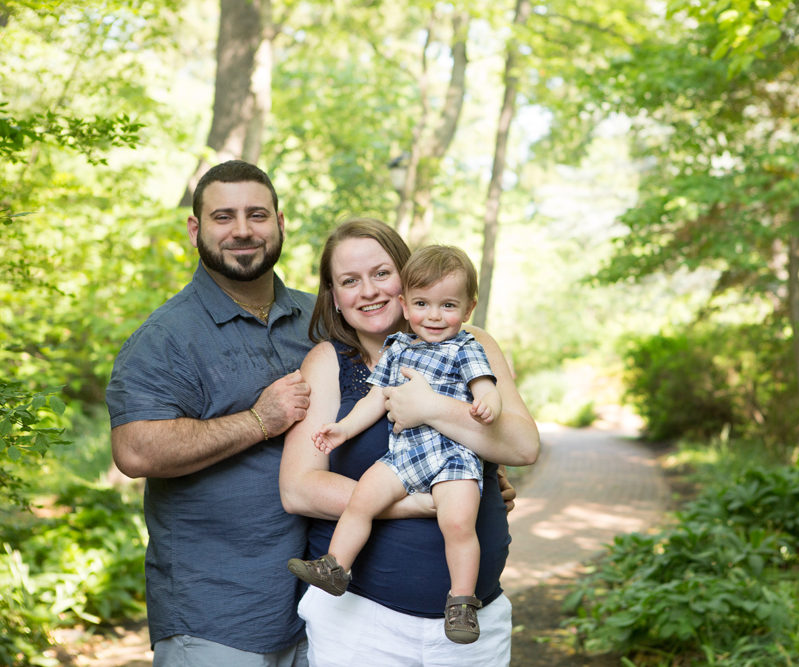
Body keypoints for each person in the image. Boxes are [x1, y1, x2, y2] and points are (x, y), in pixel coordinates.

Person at [279, 218, 540, 666]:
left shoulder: (472, 343)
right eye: (349, 281)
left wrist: (431, 407)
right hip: (361, 625)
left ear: (405, 275)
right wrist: (418, 504)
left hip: (472, 630)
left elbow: (522, 447)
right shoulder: (327, 363)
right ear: (335, 298)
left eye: (381, 273)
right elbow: (298, 487)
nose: (369, 291)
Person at [105, 160, 314, 666]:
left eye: (257, 215)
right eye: (224, 217)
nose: (243, 230)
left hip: (324, 611)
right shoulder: (167, 337)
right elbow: (135, 449)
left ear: (280, 223)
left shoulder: (321, 317)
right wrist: (259, 420)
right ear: (196, 230)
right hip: (216, 617)